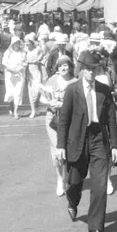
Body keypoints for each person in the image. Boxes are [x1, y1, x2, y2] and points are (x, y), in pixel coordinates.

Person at [55, 52, 117, 232]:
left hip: (98, 138)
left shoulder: (103, 90)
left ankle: (96, 226)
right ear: (82, 69)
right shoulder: (72, 90)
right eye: (89, 69)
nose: (92, 72)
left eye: (95, 69)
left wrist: (115, 146)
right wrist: (61, 146)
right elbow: (64, 120)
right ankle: (72, 201)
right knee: (75, 181)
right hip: (77, 140)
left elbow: (111, 120)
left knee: (99, 185)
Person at [41, 56, 78, 196]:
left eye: (66, 65)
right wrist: (49, 103)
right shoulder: (52, 80)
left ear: (70, 67)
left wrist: (64, 105)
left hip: (70, 119)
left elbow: (80, 102)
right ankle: (59, 178)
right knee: (57, 149)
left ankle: (66, 175)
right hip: (53, 118)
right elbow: (42, 97)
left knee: (68, 149)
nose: (63, 68)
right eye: (60, 65)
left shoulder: (75, 82)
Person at [2, 36, 28, 118]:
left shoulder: (23, 53)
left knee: (18, 93)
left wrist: (20, 68)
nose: (17, 45)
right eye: (15, 43)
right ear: (12, 44)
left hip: (20, 75)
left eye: (18, 43)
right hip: (10, 75)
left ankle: (16, 112)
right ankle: (11, 105)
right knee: (10, 92)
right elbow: (4, 62)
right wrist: (11, 69)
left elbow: (25, 62)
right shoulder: (8, 52)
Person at [24, 35, 46, 118]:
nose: (26, 43)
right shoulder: (25, 50)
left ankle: (36, 107)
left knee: (37, 91)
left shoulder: (37, 49)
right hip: (29, 71)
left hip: (36, 71)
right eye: (25, 41)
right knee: (31, 92)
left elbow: (43, 55)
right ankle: (33, 110)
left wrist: (39, 60)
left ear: (32, 42)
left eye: (28, 41)